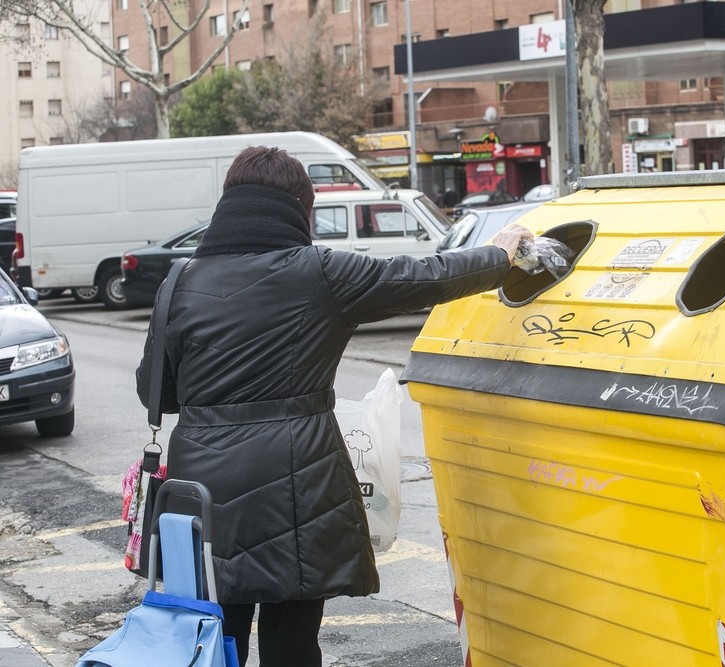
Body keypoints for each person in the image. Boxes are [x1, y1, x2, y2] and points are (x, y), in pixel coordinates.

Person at [135, 146, 533, 667]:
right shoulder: (319, 272)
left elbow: (156, 395)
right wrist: (501, 256)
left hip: (202, 493)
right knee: (293, 645)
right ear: (301, 209)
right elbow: (426, 277)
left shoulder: (179, 282)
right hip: (298, 484)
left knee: (212, 639)